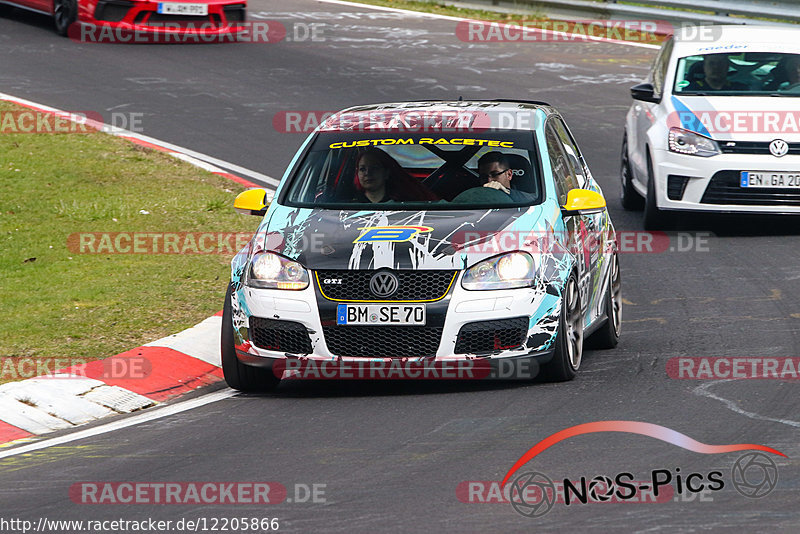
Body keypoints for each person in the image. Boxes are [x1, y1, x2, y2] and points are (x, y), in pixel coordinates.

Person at [352, 148, 438, 203]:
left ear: (386, 173)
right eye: (362, 169)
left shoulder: (404, 203)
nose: (367, 173)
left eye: (375, 168)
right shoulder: (348, 207)